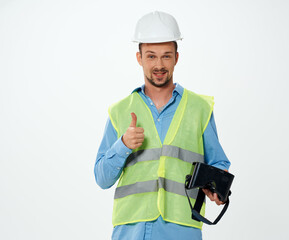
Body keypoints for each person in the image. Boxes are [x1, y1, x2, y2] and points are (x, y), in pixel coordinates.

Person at [94, 11, 231, 240]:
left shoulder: (199, 108)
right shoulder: (119, 111)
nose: (159, 64)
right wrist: (123, 146)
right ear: (139, 58)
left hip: (181, 230)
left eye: (166, 56)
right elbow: (101, 178)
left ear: (177, 58)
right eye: (151, 56)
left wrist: (218, 188)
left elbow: (218, 164)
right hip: (131, 230)